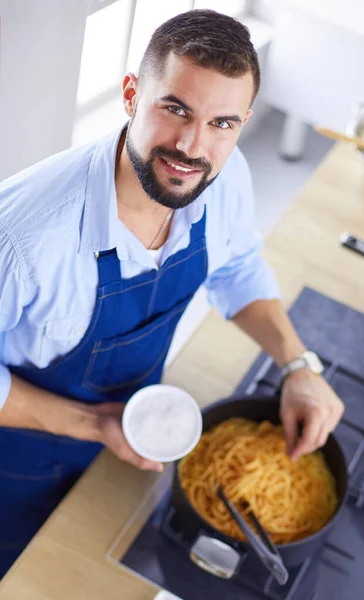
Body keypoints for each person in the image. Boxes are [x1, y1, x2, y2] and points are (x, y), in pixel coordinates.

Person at [0, 9, 344, 576]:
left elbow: (237, 268)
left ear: (243, 123)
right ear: (132, 94)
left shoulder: (221, 178)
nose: (192, 145)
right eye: (175, 108)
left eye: (222, 123)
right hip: (17, 458)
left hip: (129, 444)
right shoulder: (25, 236)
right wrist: (93, 425)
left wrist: (298, 365)